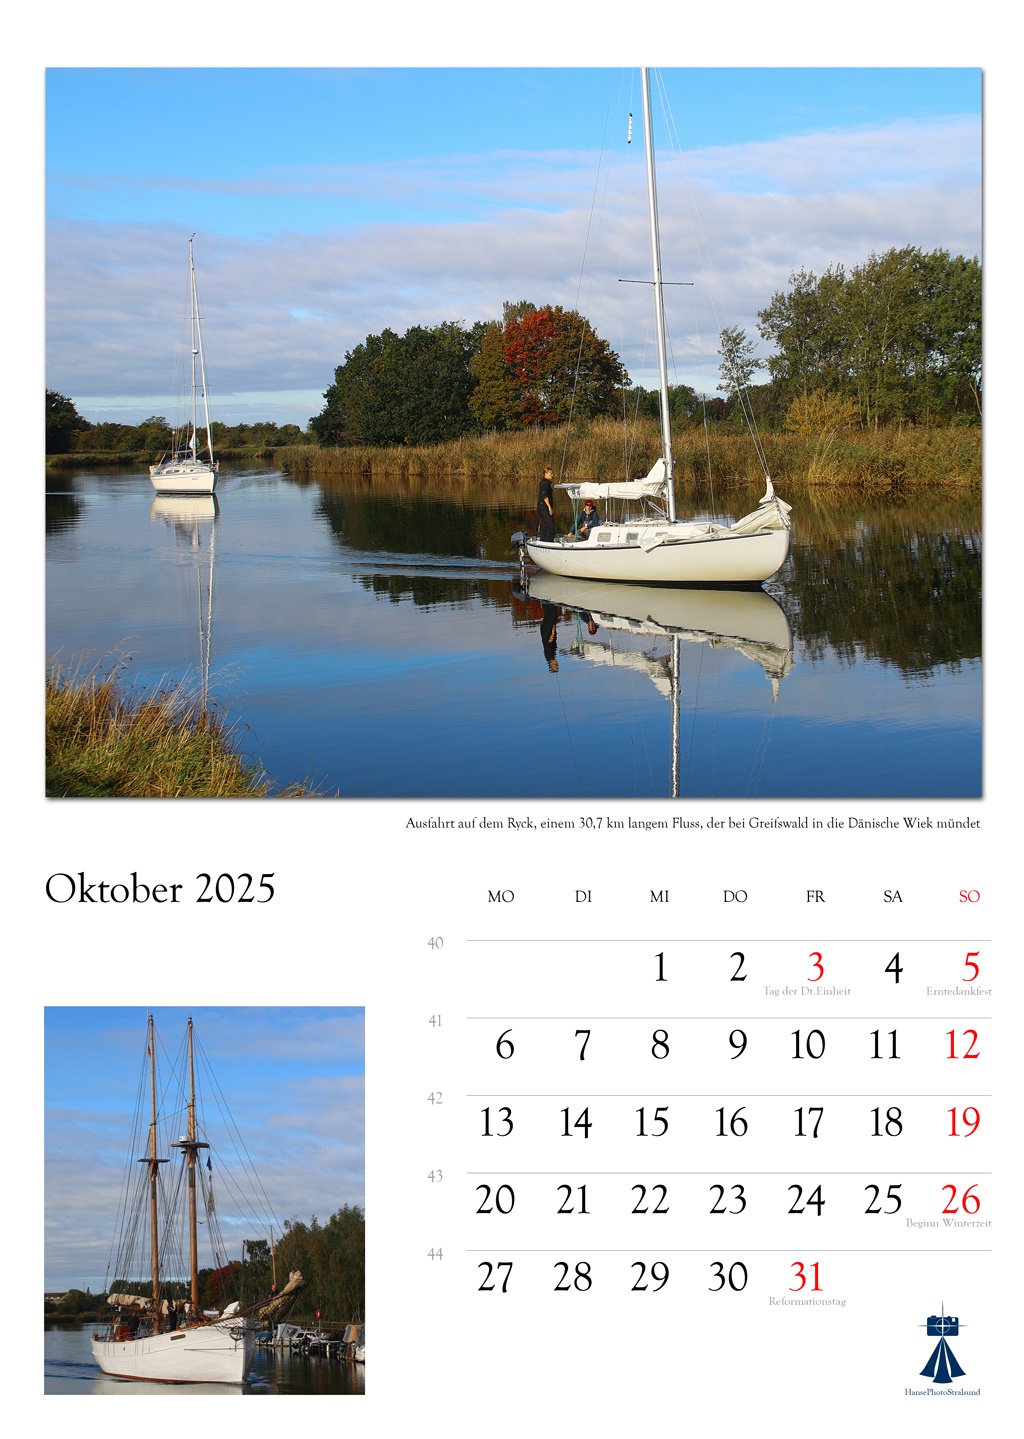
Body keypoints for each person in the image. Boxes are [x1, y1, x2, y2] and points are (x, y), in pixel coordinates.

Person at [537, 466, 555, 541]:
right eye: (551, 473)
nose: (552, 475)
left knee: (545, 526)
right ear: (545, 474)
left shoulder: (546, 483)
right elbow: (545, 496)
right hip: (544, 507)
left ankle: (542, 541)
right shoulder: (544, 483)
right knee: (551, 526)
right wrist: (549, 507)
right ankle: (548, 542)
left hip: (542, 508)